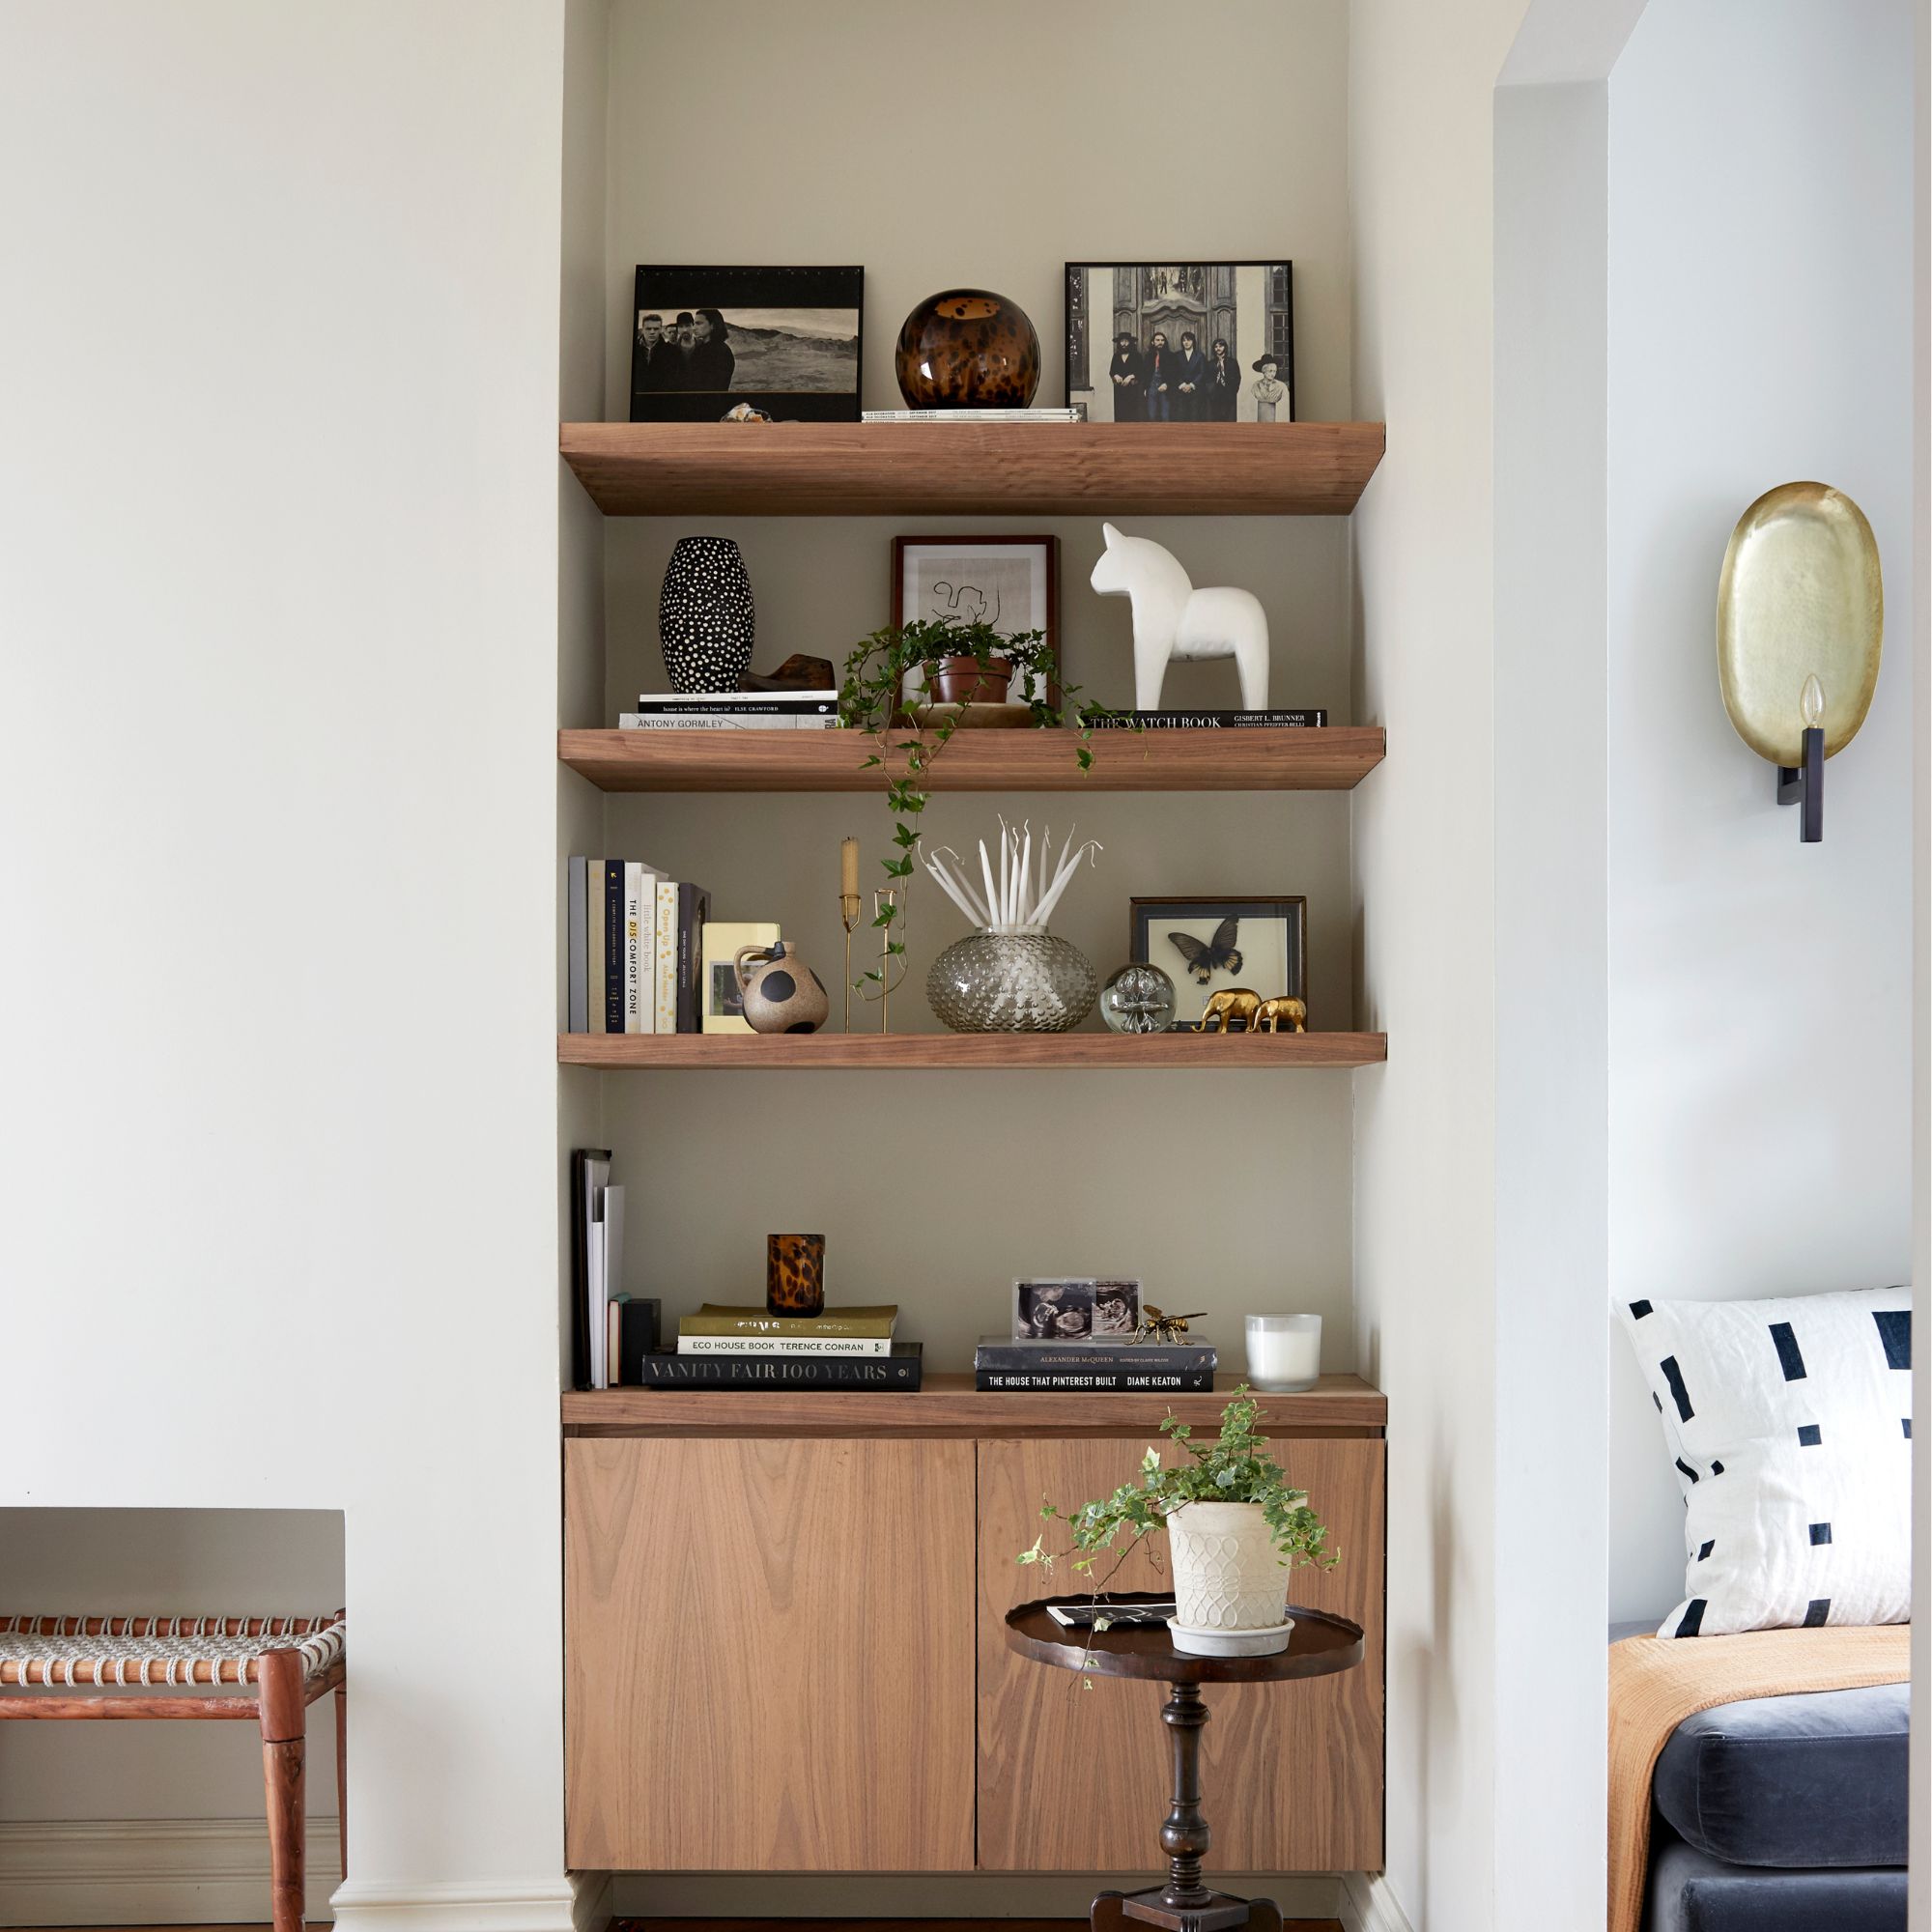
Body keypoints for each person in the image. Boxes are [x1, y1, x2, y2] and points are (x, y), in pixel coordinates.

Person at [684, 307, 734, 392]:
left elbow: (715, 386)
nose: (693, 328)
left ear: (712, 325)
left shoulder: (722, 352)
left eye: (699, 323)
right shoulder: (700, 348)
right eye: (694, 324)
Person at [634, 311, 677, 391]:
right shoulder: (633, 349)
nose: (652, 332)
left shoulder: (672, 351)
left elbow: (674, 379)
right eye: (648, 329)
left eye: (656, 329)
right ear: (642, 329)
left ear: (661, 330)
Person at [1108, 331, 1147, 421]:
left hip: (1133, 391)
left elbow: (1141, 372)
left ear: (1130, 343)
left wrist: (1130, 377)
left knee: (1133, 414)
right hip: (1119, 391)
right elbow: (1112, 371)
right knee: (1120, 413)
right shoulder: (1116, 356)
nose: (1124, 344)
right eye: (1122, 341)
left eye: (1126, 341)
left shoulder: (1137, 356)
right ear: (1119, 343)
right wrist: (1116, 375)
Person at [1144, 329, 1178, 421]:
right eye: (1157, 340)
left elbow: (1174, 374)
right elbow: (1145, 374)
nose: (1160, 342)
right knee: (1151, 416)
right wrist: (1146, 388)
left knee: (1165, 416)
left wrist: (1167, 384)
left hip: (1165, 388)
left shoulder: (1171, 356)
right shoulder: (1148, 356)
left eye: (1162, 340)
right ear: (1153, 342)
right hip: (1151, 387)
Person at [1174, 330, 1208, 420]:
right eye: (1184, 340)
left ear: (1193, 341)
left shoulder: (1200, 355)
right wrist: (1183, 385)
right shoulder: (1177, 355)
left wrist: (1191, 385)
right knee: (1180, 416)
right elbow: (1174, 373)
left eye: (1189, 340)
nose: (1186, 342)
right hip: (1181, 390)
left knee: (1194, 416)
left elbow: (1202, 373)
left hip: (1195, 390)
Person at [1204, 337, 1239, 421]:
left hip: (1228, 396)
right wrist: (1211, 390)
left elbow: (1237, 378)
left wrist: (1232, 391)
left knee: (1228, 421)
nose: (1218, 348)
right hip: (1214, 397)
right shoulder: (1210, 363)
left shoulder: (1232, 362)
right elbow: (1206, 379)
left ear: (1225, 347)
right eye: (1216, 346)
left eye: (1220, 346)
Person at [1250, 352, 1288, 422]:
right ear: (1264, 371)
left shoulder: (1281, 386)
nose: (1273, 374)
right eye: (1270, 371)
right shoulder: (1256, 385)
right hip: (1261, 415)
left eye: (1274, 371)